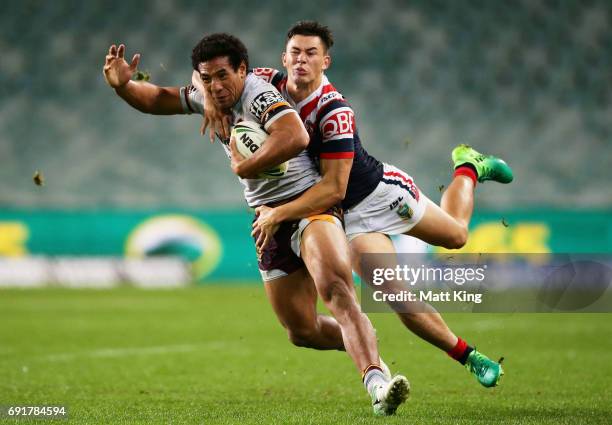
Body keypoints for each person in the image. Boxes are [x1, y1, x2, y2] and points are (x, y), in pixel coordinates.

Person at [103, 33, 409, 416]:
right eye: (206, 77)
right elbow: (158, 99)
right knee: (301, 331)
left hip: (308, 207)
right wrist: (124, 86)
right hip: (266, 220)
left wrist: (244, 165)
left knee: (335, 290)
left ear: (243, 71)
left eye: (222, 76)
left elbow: (294, 134)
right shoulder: (209, 95)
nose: (215, 86)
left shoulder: (258, 94)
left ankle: (377, 384)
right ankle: (360, 336)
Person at [197, 21, 511, 388]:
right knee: (393, 294)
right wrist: (207, 97)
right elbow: (206, 68)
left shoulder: (334, 109)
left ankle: (468, 167)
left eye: (311, 54)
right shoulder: (264, 84)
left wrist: (279, 212)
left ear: (325, 61)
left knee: (456, 236)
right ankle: (468, 356)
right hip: (346, 218)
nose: (301, 60)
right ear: (282, 58)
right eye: (295, 53)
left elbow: (333, 187)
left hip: (376, 194)